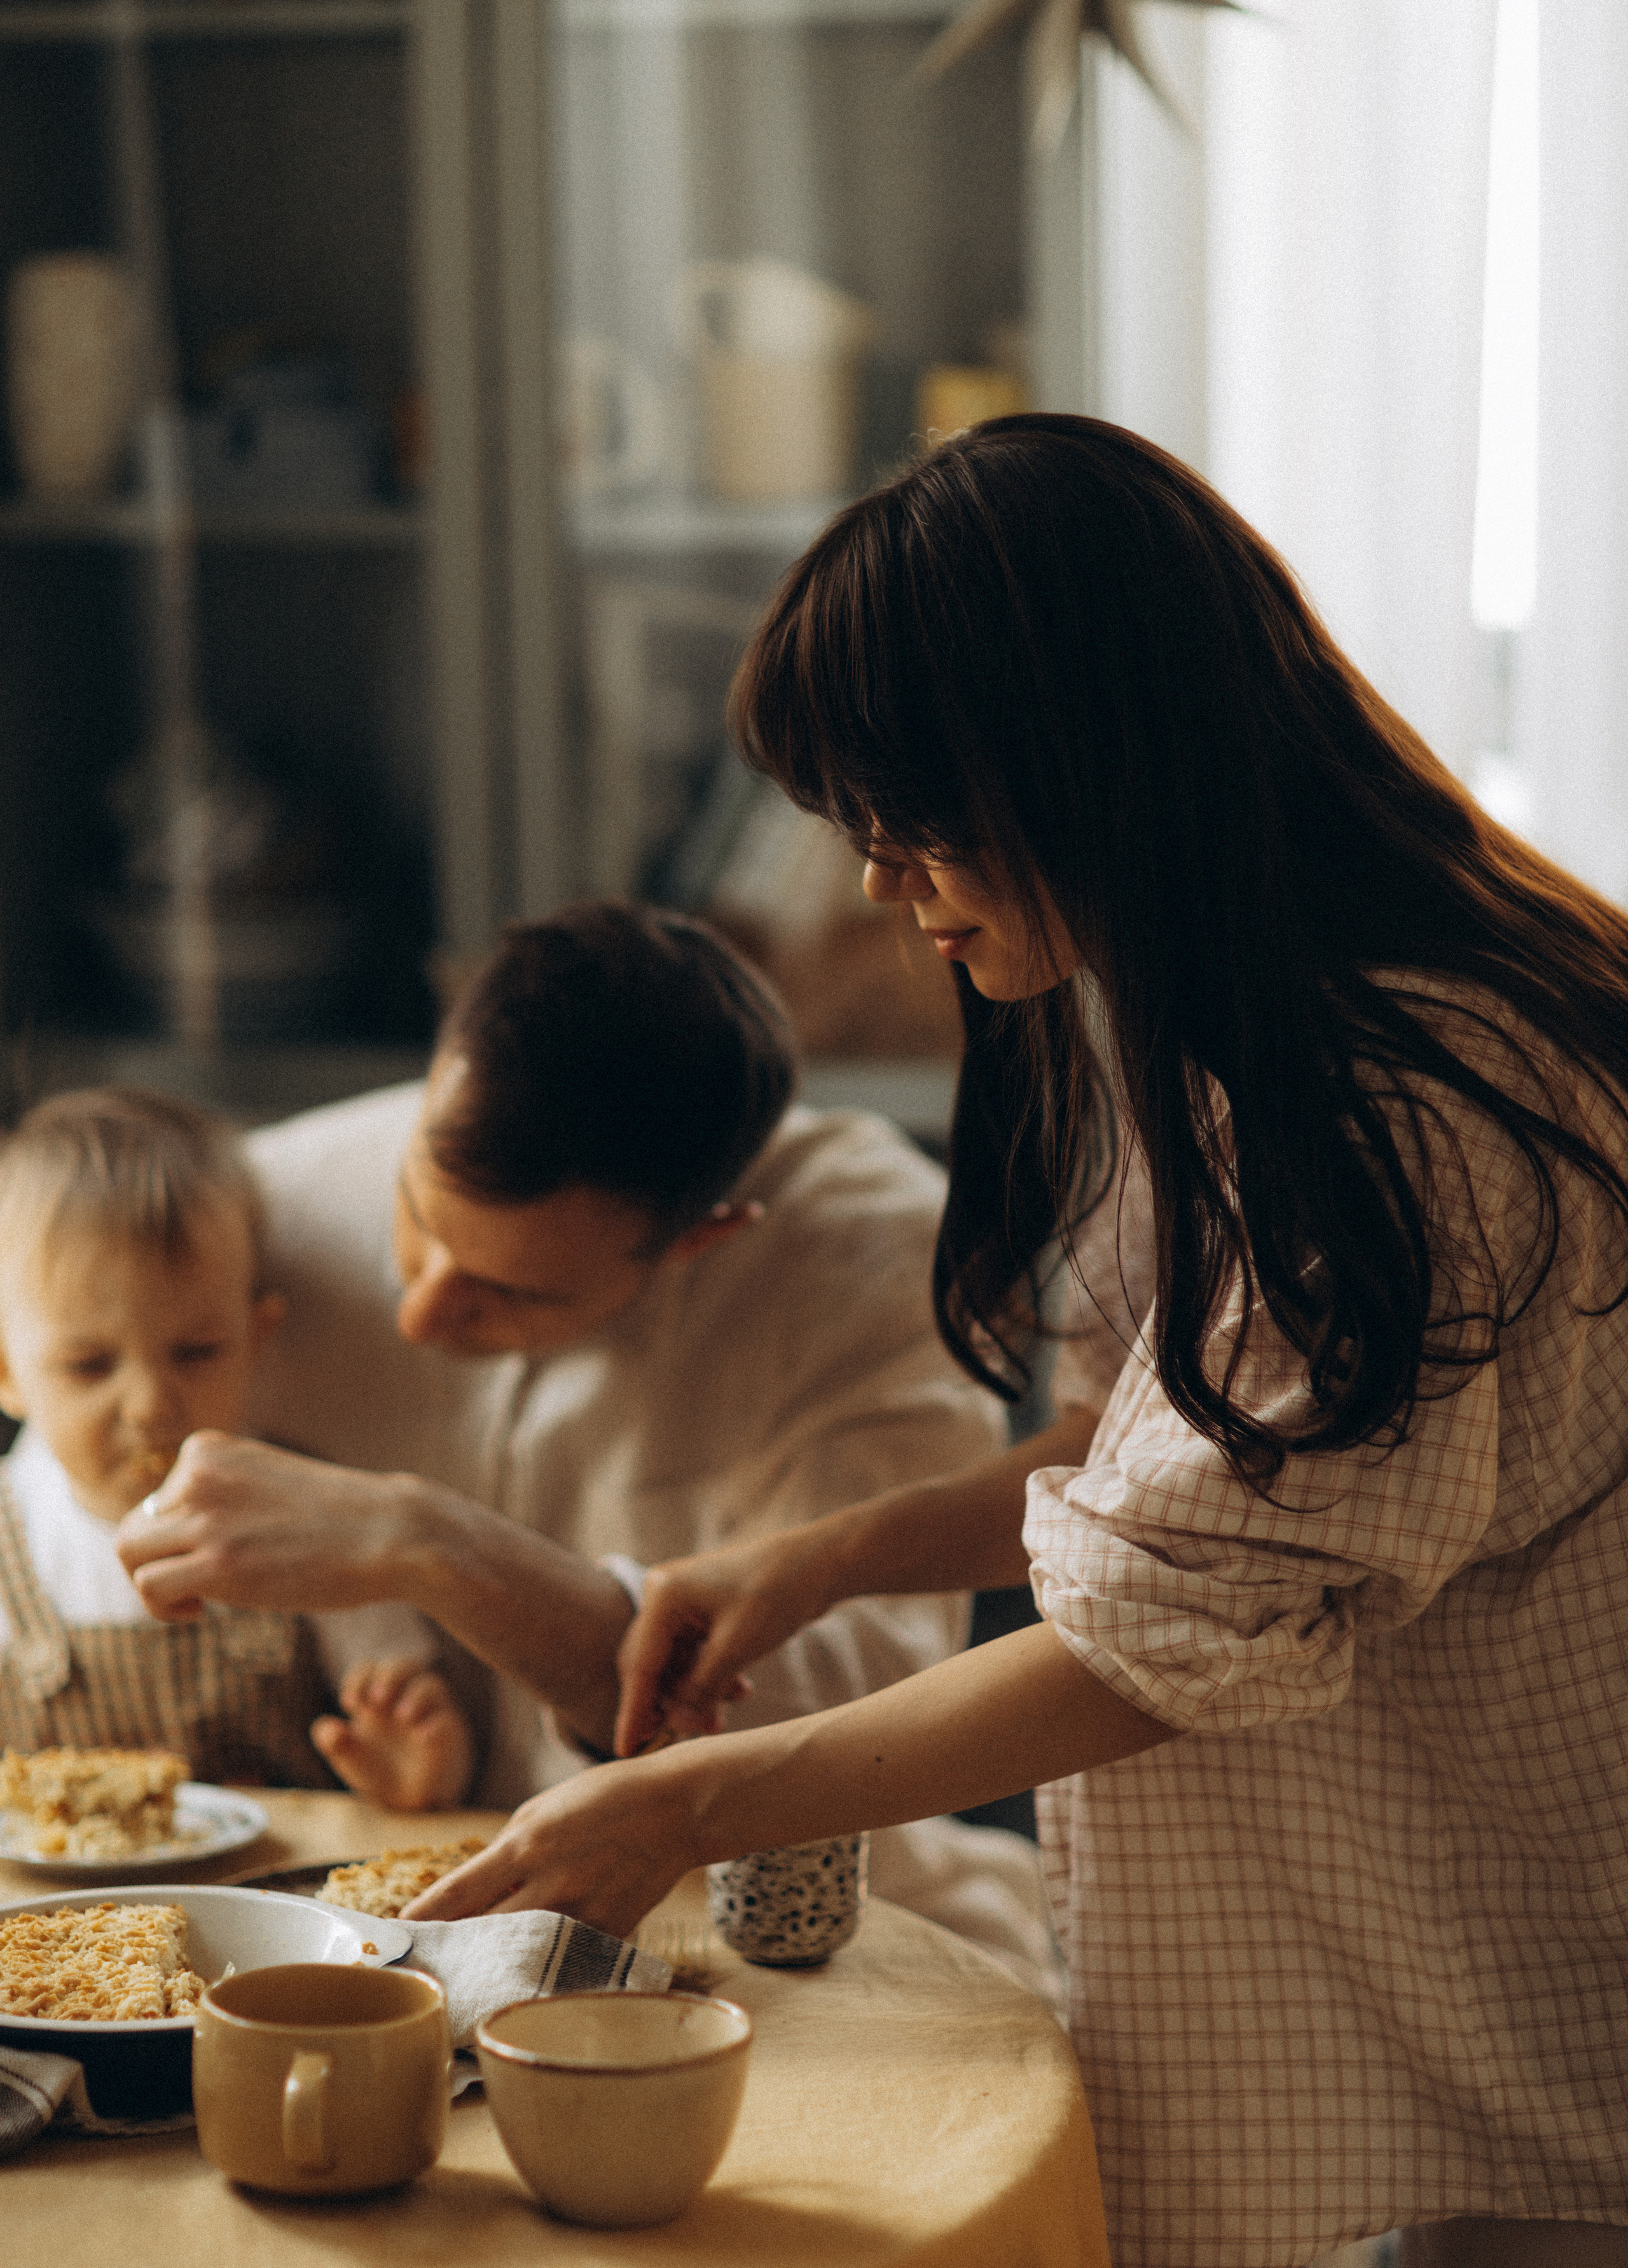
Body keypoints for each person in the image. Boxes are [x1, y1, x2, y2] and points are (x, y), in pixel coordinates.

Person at [404, 420, 1628, 2268]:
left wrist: (683, 1794)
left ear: (1090, 770)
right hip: (1375, 1968)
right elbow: (1148, 1464)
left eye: (914, 820)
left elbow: (1160, 1637)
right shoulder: (1202, 1026)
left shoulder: (1406, 1123)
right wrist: (809, 1557)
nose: (884, 885)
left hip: (1507, 2000)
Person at [114, 906, 1060, 1998]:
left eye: (511, 1293)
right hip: (376, 1909)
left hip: (802, 1937)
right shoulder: (267, 1198)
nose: (422, 1315)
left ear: (706, 1235)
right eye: (420, 1219)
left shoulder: (878, 1264)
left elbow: (859, 1717)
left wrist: (434, 1547)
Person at [0, 1086, 473, 1807]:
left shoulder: (310, 1512)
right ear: (8, 1371)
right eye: (89, 1366)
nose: (150, 1406)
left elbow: (415, 1728)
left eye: (195, 1352)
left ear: (257, 1342)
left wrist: (420, 1771)